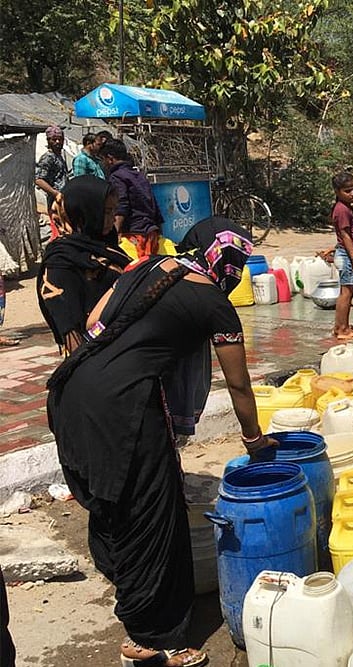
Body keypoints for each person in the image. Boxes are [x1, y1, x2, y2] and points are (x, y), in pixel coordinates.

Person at [46, 218, 272, 667]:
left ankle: (128, 588)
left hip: (72, 391)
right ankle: (150, 642)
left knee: (117, 502)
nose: (237, 272)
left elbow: (95, 321)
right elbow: (240, 386)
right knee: (154, 516)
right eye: (238, 263)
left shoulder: (147, 267)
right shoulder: (213, 301)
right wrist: (254, 440)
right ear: (226, 261)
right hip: (124, 407)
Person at [36, 176, 131, 355]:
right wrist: (84, 368)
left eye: (113, 211)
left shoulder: (107, 247)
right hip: (98, 359)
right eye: (106, 212)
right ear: (85, 212)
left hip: (127, 348)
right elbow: (67, 323)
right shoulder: (62, 260)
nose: (112, 219)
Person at [320, 172, 353, 341]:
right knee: (346, 293)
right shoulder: (341, 209)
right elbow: (345, 236)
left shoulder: (345, 207)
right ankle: (342, 329)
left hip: (346, 255)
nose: (352, 194)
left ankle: (341, 325)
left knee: (348, 291)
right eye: (347, 191)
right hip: (347, 256)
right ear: (337, 191)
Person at [101, 138, 163, 259]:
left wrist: (116, 233)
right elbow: (153, 202)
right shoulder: (139, 175)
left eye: (103, 160)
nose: (103, 164)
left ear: (109, 158)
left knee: (133, 272)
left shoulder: (117, 177)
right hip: (150, 233)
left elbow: (121, 205)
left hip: (133, 235)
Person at [35, 125, 69, 237]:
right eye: (54, 139)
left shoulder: (58, 156)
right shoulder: (48, 157)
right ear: (48, 140)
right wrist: (55, 193)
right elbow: (39, 179)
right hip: (55, 200)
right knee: (60, 231)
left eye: (60, 139)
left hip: (63, 198)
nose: (58, 142)